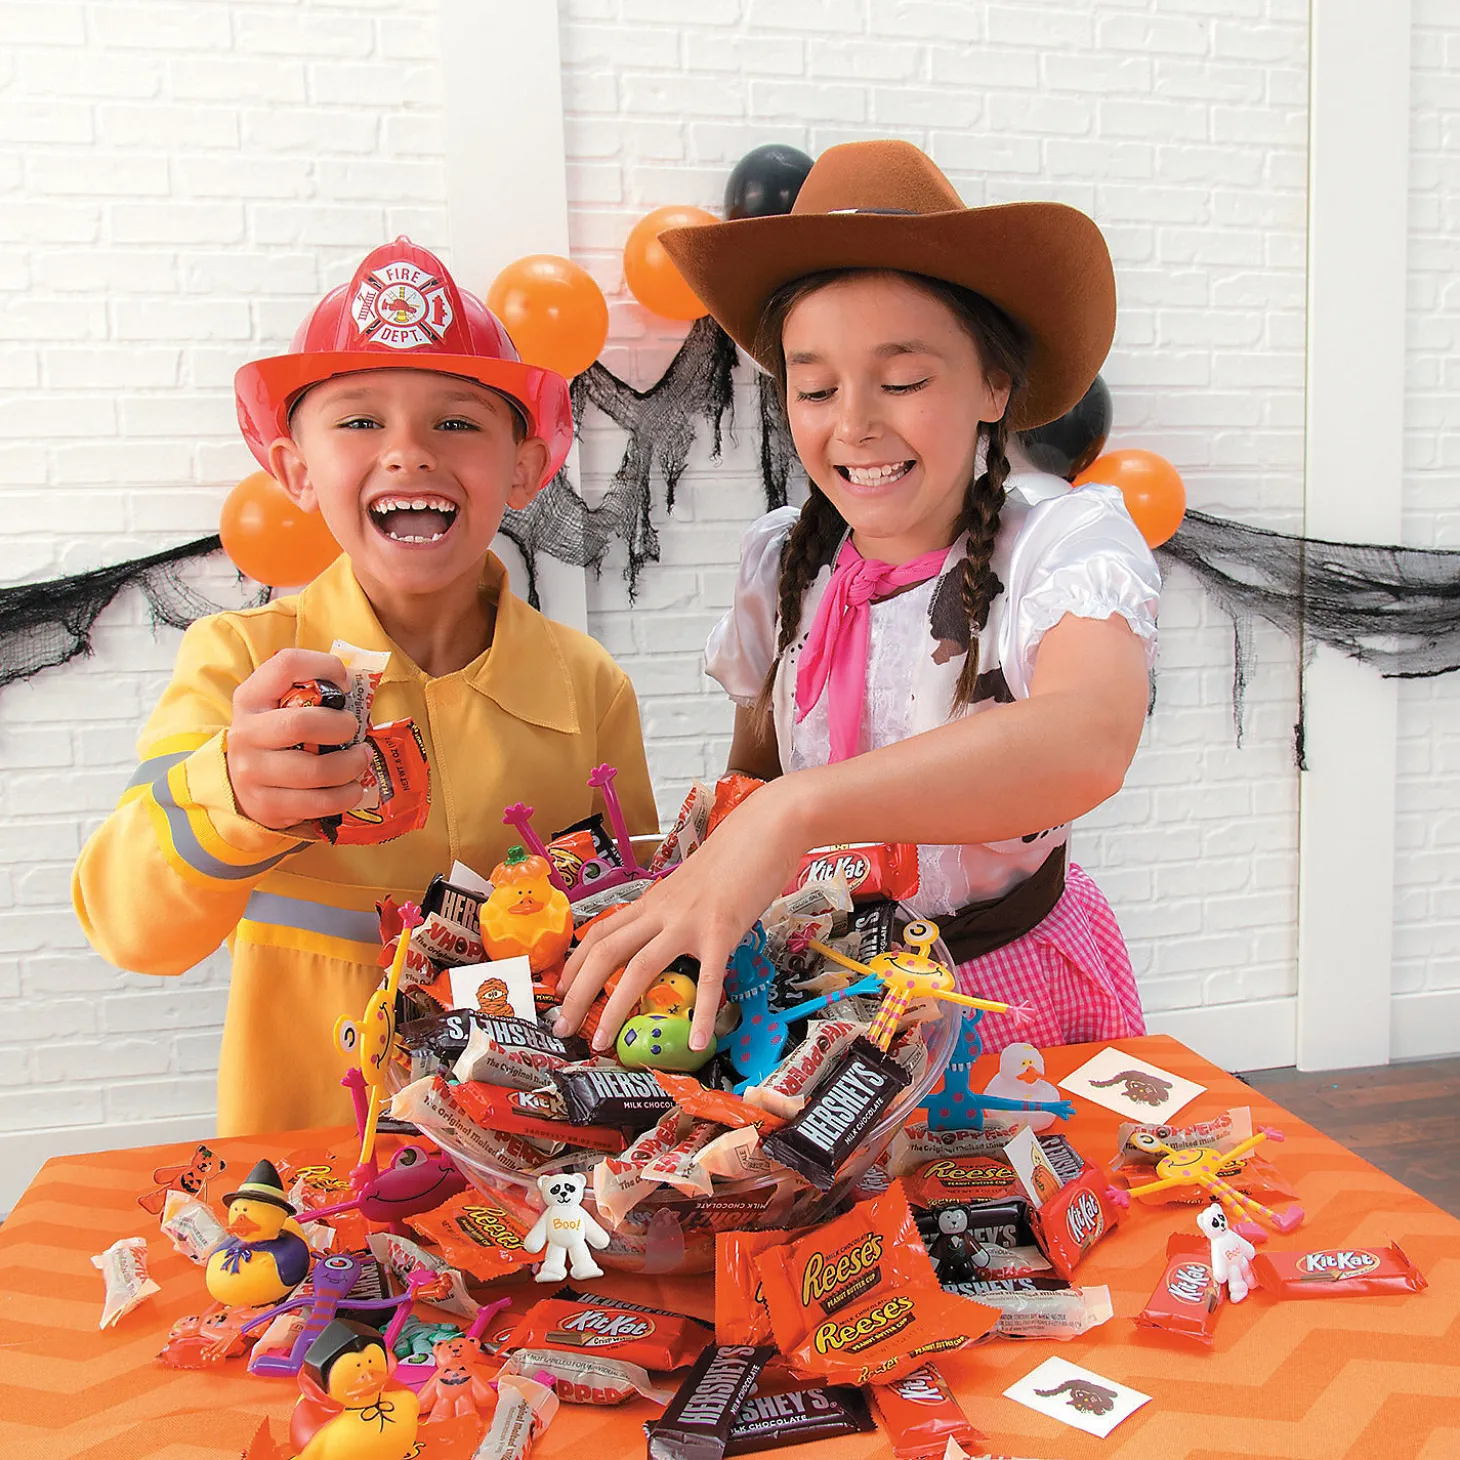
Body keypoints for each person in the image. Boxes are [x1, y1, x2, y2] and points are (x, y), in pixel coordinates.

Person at [556, 141, 1159, 1060]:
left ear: (994, 383)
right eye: (814, 387)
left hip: (1007, 996)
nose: (854, 424)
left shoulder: (1065, 546)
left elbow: (1088, 738)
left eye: (903, 380)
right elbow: (752, 783)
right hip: (818, 1004)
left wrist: (794, 813)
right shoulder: (781, 563)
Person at [74, 238, 655, 1136]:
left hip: (537, 1153)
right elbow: (131, 930)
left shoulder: (588, 688)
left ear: (524, 467)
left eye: (457, 423)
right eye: (358, 422)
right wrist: (232, 791)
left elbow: (632, 932)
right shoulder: (238, 665)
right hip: (313, 1157)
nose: (408, 454)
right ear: (296, 469)